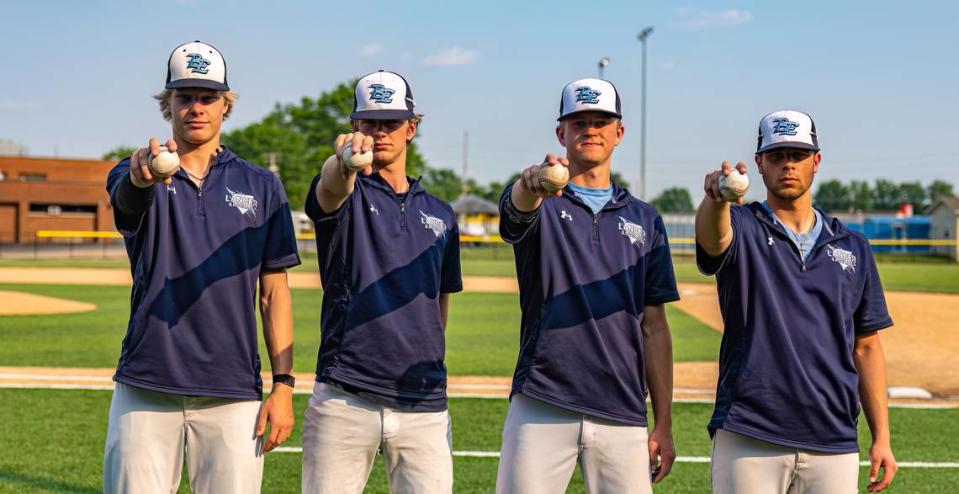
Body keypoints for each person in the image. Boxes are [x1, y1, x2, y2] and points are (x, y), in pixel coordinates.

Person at [102, 40, 300, 493]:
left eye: (207, 97)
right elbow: (128, 198)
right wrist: (141, 176)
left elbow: (274, 293)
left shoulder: (262, 185)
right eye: (184, 96)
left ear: (225, 104)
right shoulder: (136, 170)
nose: (196, 107)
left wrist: (284, 385)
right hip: (147, 385)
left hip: (232, 391)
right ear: (166, 103)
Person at [696, 110, 897, 493]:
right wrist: (716, 199)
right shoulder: (741, 225)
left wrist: (881, 437)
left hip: (833, 437)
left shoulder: (852, 246)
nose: (787, 164)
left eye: (798, 154)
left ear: (816, 161)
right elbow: (711, 239)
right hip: (750, 431)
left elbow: (867, 347)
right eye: (776, 155)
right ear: (759, 163)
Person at [495, 78, 679, 494]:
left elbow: (654, 326)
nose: (590, 130)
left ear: (619, 133)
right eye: (579, 123)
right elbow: (516, 210)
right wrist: (531, 185)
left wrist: (663, 422)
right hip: (542, 400)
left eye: (601, 121)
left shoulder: (646, 219)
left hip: (623, 408)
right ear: (562, 134)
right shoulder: (541, 198)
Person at [302, 70, 462, 493]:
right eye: (369, 122)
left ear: (411, 128)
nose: (379, 132)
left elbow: (438, 304)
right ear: (355, 126)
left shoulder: (442, 213)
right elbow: (331, 187)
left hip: (422, 401)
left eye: (390, 123)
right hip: (345, 394)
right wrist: (342, 159)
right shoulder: (348, 190)